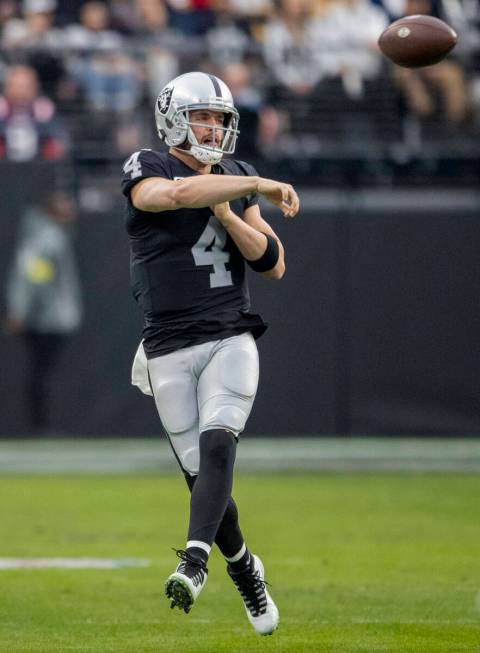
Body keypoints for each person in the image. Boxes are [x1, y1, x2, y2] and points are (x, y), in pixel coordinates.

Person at [121, 71, 299, 635]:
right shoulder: (148, 165)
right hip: (168, 343)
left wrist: (234, 210)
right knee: (204, 483)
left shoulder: (238, 177)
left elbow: (271, 262)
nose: (214, 128)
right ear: (175, 118)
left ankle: (194, 562)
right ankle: (244, 565)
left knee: (219, 444)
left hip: (229, 332)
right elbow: (172, 196)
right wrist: (260, 186)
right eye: (204, 116)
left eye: (221, 119)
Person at [5, 189, 83, 433]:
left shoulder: (45, 235)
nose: (71, 211)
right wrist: (21, 311)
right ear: (53, 210)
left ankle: (42, 424)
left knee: (42, 372)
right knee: (42, 374)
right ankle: (41, 425)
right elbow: (34, 278)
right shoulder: (48, 238)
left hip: (48, 317)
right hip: (47, 320)